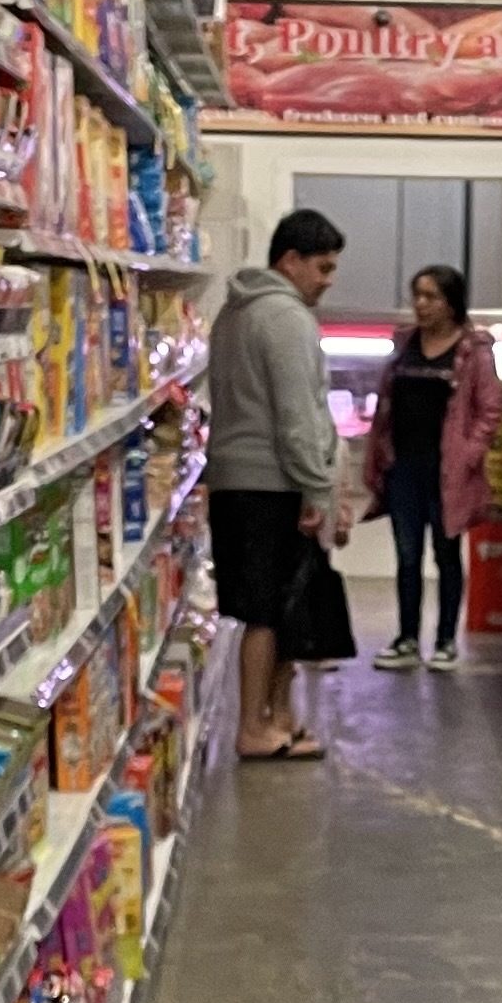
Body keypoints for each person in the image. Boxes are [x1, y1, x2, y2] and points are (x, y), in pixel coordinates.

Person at [207, 206, 344, 761]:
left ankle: (279, 719)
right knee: (267, 611)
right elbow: (297, 416)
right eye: (322, 267)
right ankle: (253, 727)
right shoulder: (284, 318)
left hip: (238, 480)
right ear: (290, 261)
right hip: (273, 483)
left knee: (279, 606)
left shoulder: (232, 313)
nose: (327, 281)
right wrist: (319, 489)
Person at [365, 262, 502, 671]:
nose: (421, 305)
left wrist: (469, 453)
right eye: (417, 295)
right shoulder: (405, 342)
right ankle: (406, 639)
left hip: (447, 472)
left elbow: (490, 408)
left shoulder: (473, 350)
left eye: (431, 297)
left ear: (451, 302)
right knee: (407, 556)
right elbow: (387, 400)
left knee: (446, 554)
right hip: (403, 466)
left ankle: (445, 641)